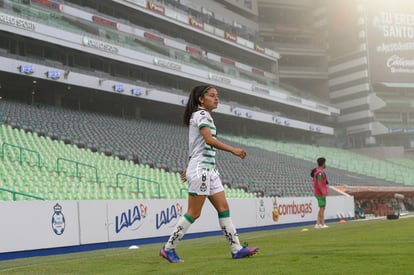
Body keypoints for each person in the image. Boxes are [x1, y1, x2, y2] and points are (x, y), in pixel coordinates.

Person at [160, 84, 259, 263]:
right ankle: (168, 249)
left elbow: (197, 146)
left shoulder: (203, 116)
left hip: (208, 170)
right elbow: (208, 140)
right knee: (194, 212)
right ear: (201, 99)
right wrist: (233, 150)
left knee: (223, 208)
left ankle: (236, 249)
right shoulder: (202, 115)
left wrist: (190, 167)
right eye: (212, 95)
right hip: (203, 170)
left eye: (217, 95)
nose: (216, 98)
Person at [311, 157, 328, 229]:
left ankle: (318, 224)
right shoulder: (320, 173)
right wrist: (323, 192)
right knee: (322, 208)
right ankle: (322, 223)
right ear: (323, 164)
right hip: (319, 193)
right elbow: (319, 183)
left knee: (322, 208)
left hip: (319, 192)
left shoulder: (318, 171)